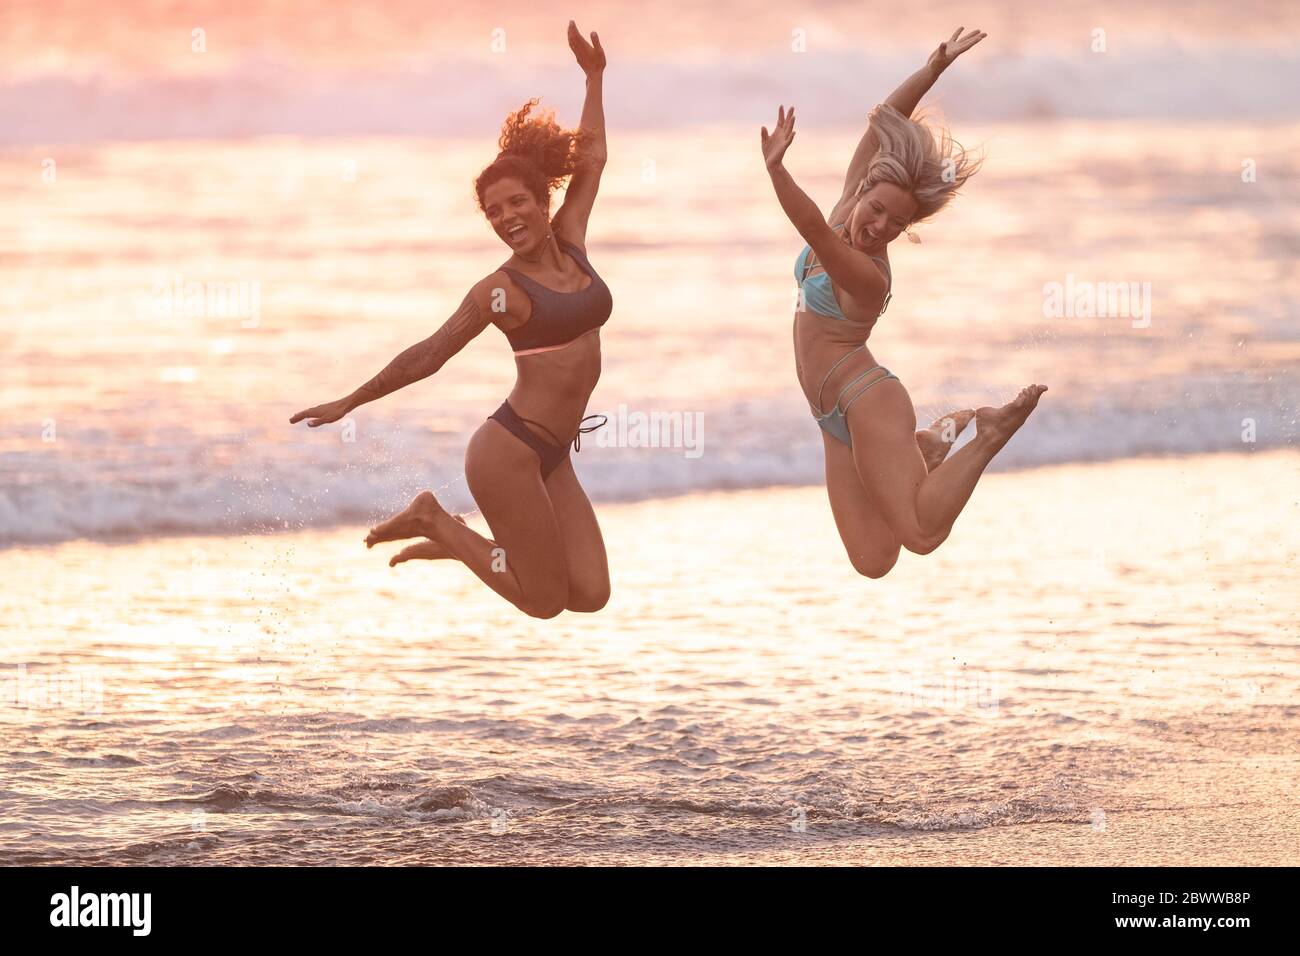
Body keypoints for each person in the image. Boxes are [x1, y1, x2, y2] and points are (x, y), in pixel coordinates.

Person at [291, 22, 613, 618]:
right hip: (508, 452)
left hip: (554, 453)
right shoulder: (500, 291)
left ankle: (468, 545)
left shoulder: (572, 241)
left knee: (590, 592)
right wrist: (350, 401)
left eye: (517, 202)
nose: (507, 217)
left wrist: (593, 77)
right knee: (544, 602)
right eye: (494, 212)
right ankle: (436, 519)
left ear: (543, 200)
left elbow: (591, 156)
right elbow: (430, 352)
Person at [760, 28, 1048, 577]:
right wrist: (933, 67)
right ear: (864, 188)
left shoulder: (869, 276)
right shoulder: (849, 203)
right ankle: (924, 448)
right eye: (879, 209)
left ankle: (988, 434)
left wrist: (776, 170)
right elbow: (884, 122)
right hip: (829, 412)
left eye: (897, 223)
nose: (880, 227)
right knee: (873, 558)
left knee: (918, 534)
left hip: (868, 400)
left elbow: (813, 230)